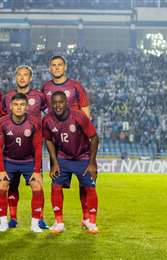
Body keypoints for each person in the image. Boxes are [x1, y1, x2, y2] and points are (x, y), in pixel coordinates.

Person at [42, 55, 92, 223]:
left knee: (84, 180)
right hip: (57, 140)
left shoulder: (75, 86)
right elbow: (41, 110)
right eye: (53, 65)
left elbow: (85, 109)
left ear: (65, 67)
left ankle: (86, 217)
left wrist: (83, 132)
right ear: (50, 68)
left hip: (76, 138)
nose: (56, 68)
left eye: (59, 65)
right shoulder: (46, 87)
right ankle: (58, 220)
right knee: (57, 180)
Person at [0, 65, 47, 229]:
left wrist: (37, 168)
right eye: (19, 74)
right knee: (9, 186)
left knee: (38, 184)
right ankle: (10, 219)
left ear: (30, 78)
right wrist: (0, 168)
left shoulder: (39, 96)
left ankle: (39, 220)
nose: (22, 77)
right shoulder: (7, 97)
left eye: (25, 75)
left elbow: (48, 113)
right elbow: (1, 118)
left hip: (31, 154)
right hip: (10, 154)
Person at [42, 91, 99, 234]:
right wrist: (54, 162)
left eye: (60, 102)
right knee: (56, 186)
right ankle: (59, 221)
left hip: (83, 157)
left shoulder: (79, 116)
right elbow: (48, 140)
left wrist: (92, 163)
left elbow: (94, 137)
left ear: (66, 102)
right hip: (63, 158)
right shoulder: (47, 120)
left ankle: (90, 220)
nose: (57, 105)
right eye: (54, 103)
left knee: (89, 188)